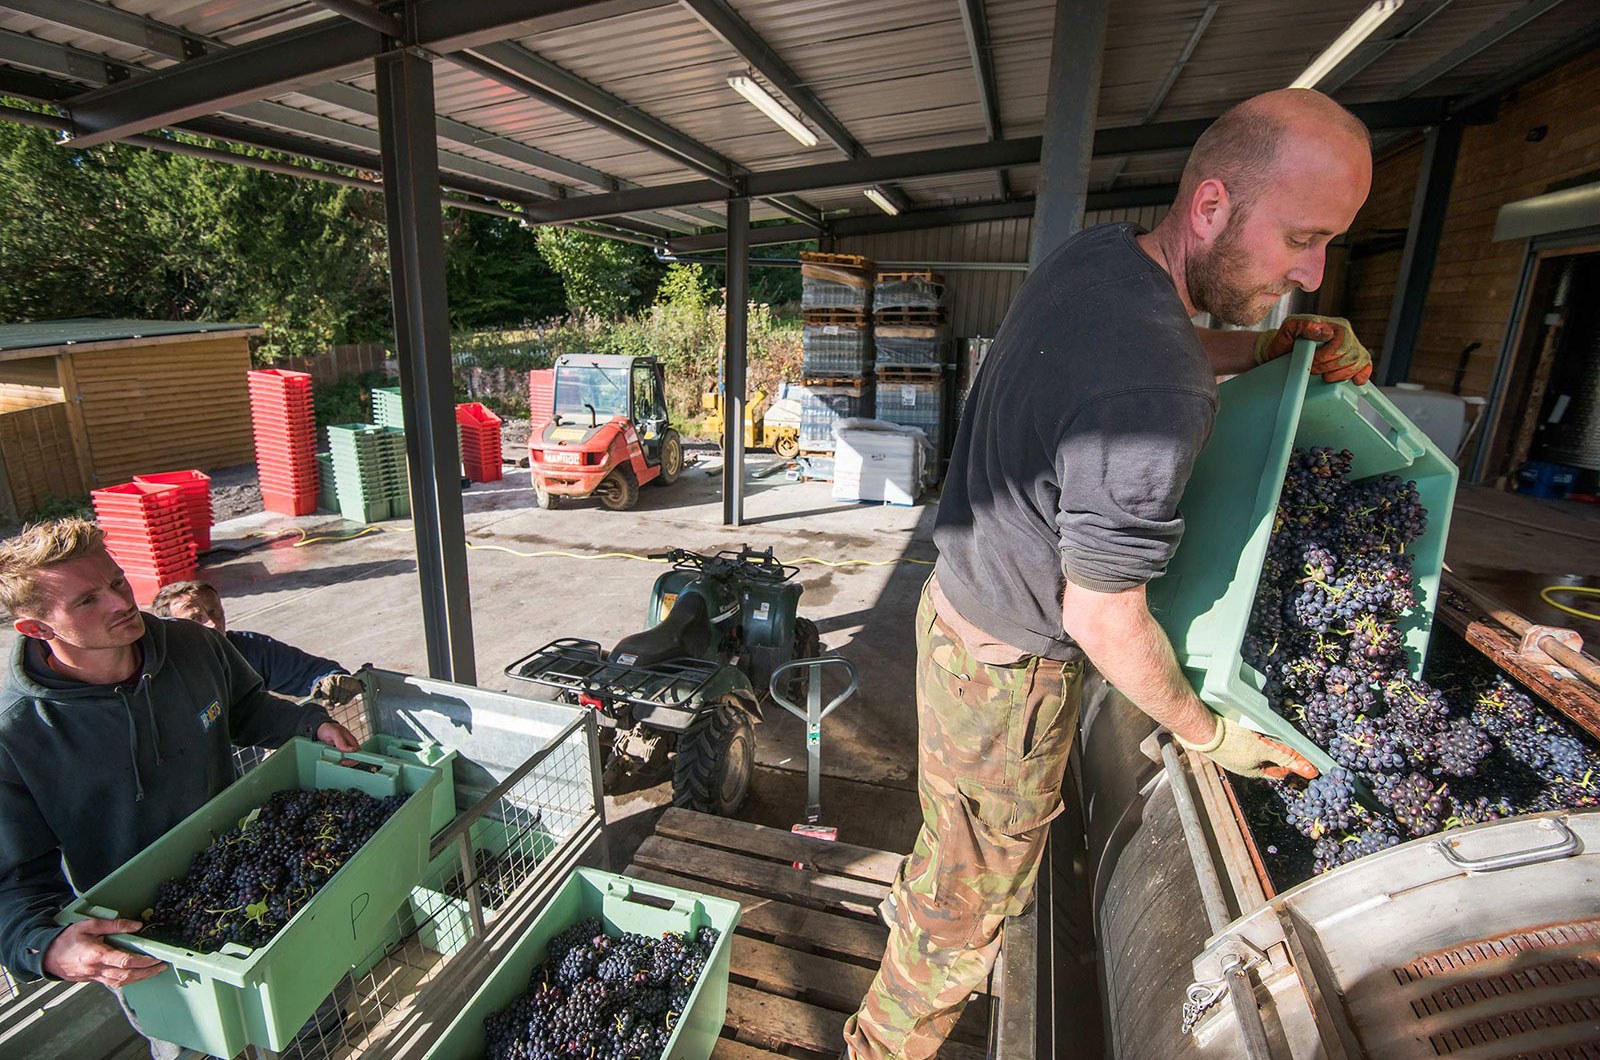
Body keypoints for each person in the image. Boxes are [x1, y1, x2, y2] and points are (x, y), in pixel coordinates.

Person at [841, 88, 1375, 1060]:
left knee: (951, 833)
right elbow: (1101, 616)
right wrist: (1208, 730)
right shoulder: (1156, 392)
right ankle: (883, 1041)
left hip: (951, 605)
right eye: (1301, 235)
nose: (1312, 270)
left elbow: (1134, 350)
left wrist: (1261, 346)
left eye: (1327, 242)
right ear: (1211, 206)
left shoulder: (1102, 256)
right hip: (1008, 677)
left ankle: (930, 893)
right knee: (974, 904)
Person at [0, 518, 360, 1060]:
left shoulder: (194, 647)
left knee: (311, 1007)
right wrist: (45, 947)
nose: (121, 602)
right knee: (194, 1047)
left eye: (118, 581)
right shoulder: (15, 732)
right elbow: (11, 880)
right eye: (88, 600)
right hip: (147, 938)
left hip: (251, 876)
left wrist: (306, 723)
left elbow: (245, 708)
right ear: (38, 630)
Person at [150, 580, 364, 708]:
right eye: (196, 618)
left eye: (214, 611)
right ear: (170, 630)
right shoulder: (155, 673)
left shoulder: (248, 649)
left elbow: (310, 672)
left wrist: (332, 679)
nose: (213, 623)